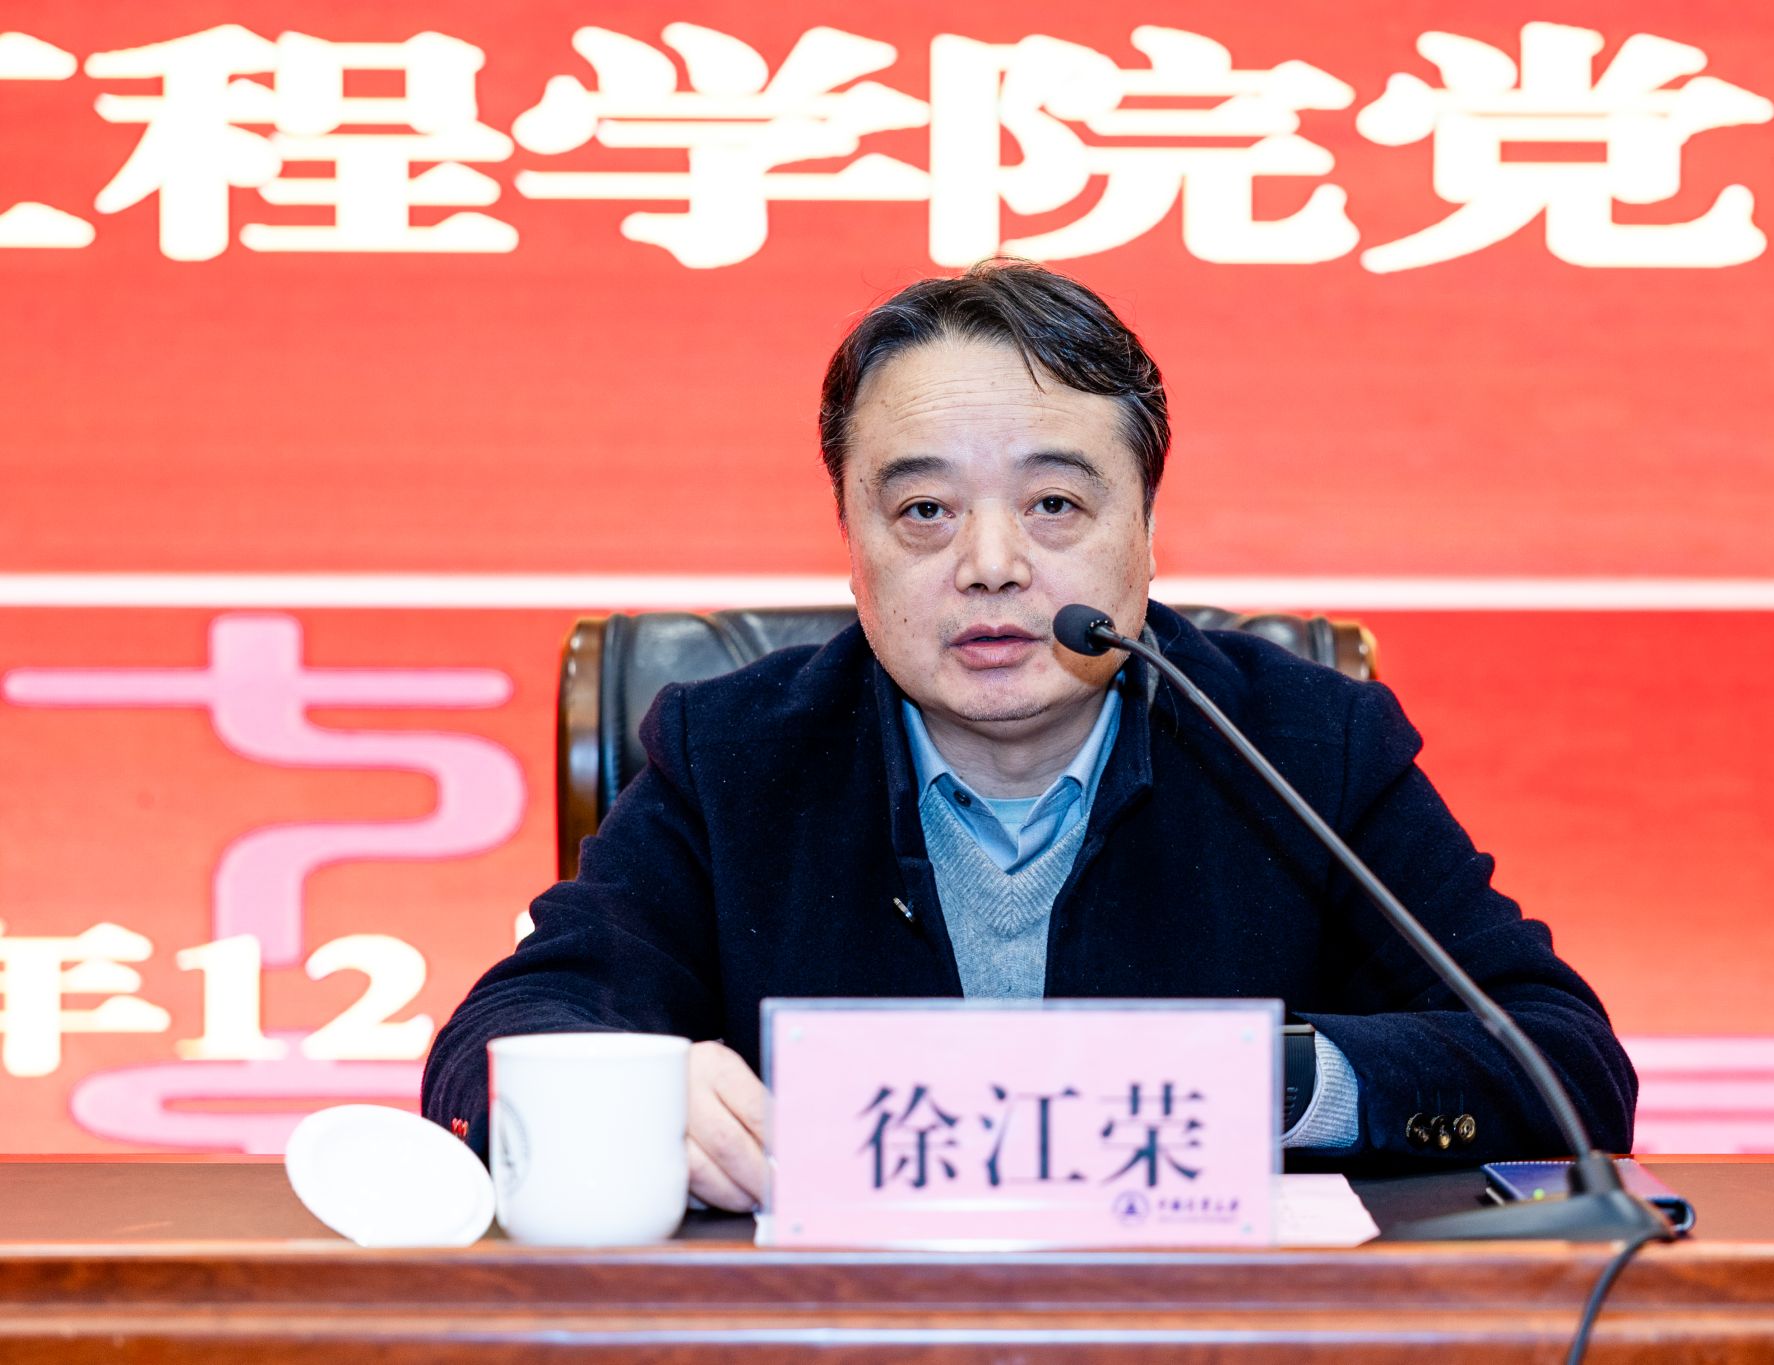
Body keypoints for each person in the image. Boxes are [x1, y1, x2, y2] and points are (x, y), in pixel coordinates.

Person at [422, 259, 1636, 1211]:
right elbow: (484, 1055)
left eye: (1054, 504)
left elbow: (1563, 1064)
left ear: (1146, 532)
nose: (990, 564)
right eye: (922, 511)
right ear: (849, 542)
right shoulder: (729, 754)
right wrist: (635, 1093)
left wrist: (1258, 1083)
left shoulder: (1301, 745)